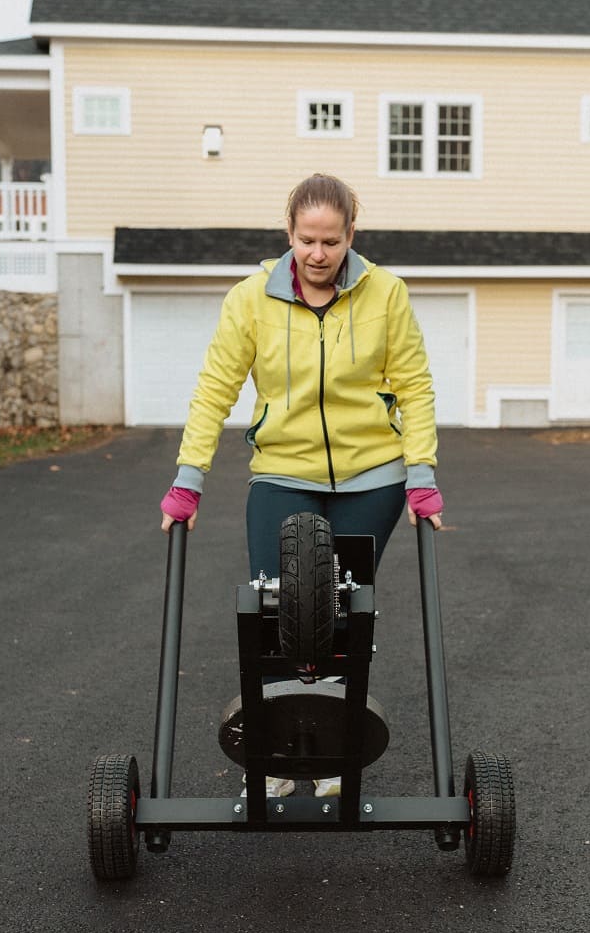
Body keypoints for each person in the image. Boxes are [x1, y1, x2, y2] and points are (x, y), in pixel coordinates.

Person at [160, 172, 443, 799]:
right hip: (283, 474)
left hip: (373, 477)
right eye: (307, 239)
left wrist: (420, 474)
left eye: (331, 241)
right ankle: (283, 754)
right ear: (288, 233)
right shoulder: (250, 299)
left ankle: (340, 754)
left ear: (350, 237)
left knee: (344, 616)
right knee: (279, 613)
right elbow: (215, 390)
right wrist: (189, 479)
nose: (318, 254)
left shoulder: (385, 294)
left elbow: (415, 386)